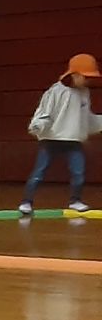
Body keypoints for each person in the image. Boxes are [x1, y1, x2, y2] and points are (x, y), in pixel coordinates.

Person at [20, 53, 99, 216]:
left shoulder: (84, 93)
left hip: (73, 140)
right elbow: (45, 112)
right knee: (39, 173)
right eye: (85, 77)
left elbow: (86, 118)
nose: (87, 81)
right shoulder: (56, 91)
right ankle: (26, 202)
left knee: (78, 173)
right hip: (51, 139)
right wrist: (38, 125)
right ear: (74, 75)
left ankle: (75, 201)